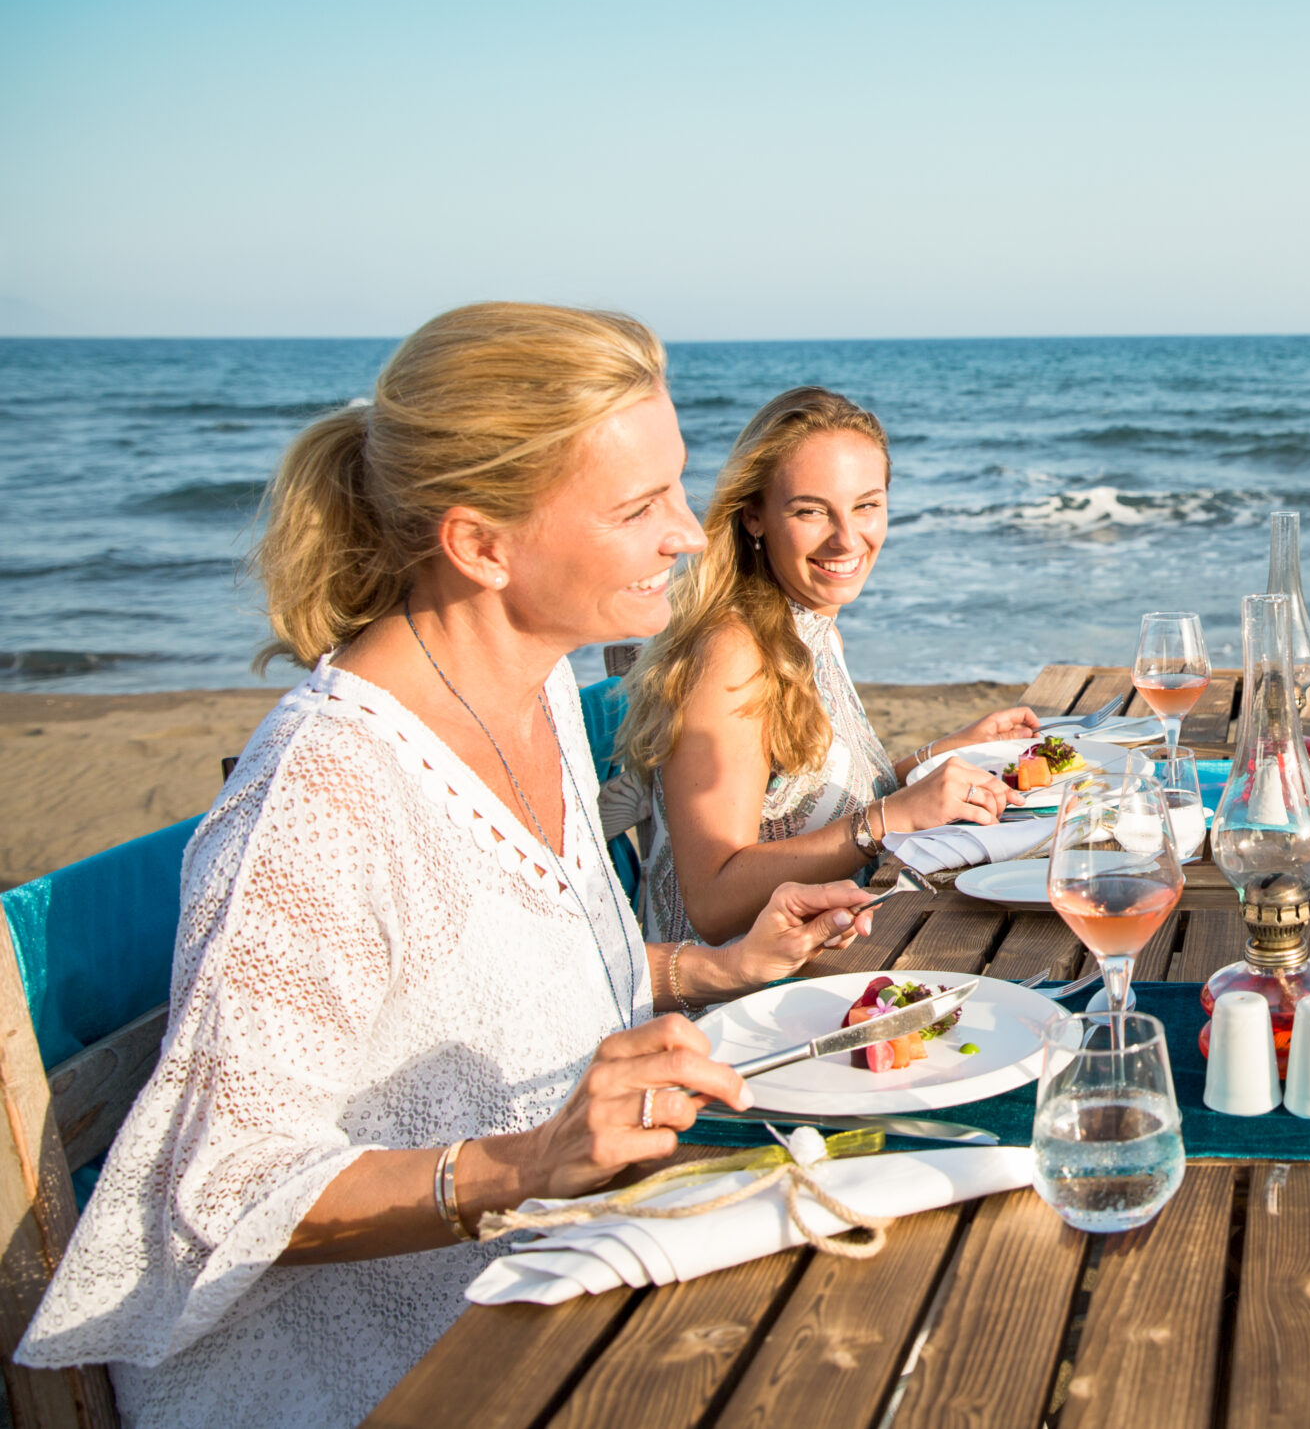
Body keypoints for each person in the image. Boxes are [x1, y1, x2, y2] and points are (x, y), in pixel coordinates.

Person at [15, 304, 881, 1429]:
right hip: (380, 1384)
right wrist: (525, 1164)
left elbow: (505, 973)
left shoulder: (543, 694)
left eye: (675, 486)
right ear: (480, 545)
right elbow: (216, 1196)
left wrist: (710, 970)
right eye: (638, 506)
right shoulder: (321, 796)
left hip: (554, 1295)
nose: (686, 532)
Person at [616, 386, 1039, 944]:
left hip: (837, 951)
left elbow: (797, 793)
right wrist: (889, 819)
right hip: (742, 1003)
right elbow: (711, 903)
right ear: (754, 517)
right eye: (811, 511)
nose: (847, 538)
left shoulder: (812, 628)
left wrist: (941, 753)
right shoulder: (732, 652)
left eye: (866, 505)